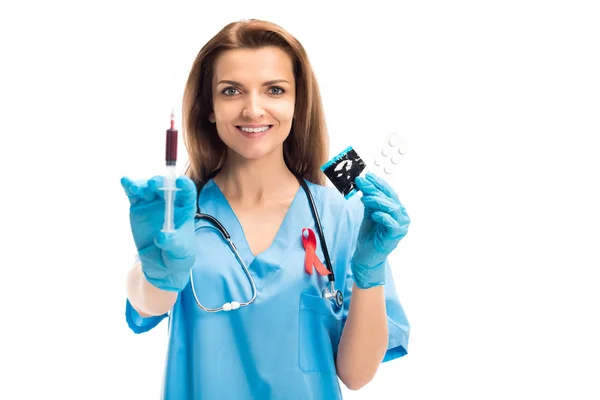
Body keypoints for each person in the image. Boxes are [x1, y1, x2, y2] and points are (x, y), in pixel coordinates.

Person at [120, 18, 411, 400]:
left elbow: (355, 375)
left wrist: (369, 272)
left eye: (274, 89)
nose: (253, 109)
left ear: (296, 102)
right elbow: (146, 301)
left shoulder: (341, 216)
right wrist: (158, 275)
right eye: (232, 91)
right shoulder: (181, 214)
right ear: (208, 107)